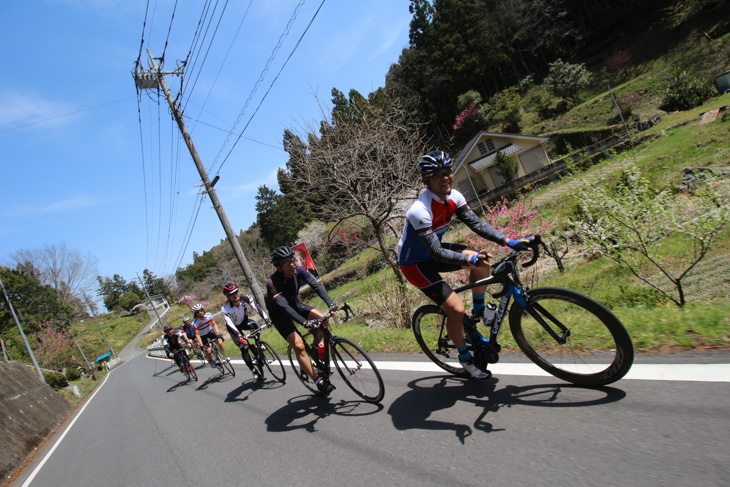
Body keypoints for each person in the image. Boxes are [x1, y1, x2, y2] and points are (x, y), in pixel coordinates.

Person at [397, 150, 533, 379]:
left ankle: (478, 313)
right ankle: (464, 357)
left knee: (483, 264)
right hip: (415, 265)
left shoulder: (454, 197)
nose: (445, 177)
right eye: (437, 174)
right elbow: (437, 252)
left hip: (434, 253)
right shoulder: (420, 211)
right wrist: (468, 258)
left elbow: (477, 225)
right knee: (456, 309)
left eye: (447, 171)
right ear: (425, 180)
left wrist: (510, 241)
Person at [265, 246, 339, 395]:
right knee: (298, 346)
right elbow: (284, 307)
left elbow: (315, 285)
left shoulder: (298, 270)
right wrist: (304, 322)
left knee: (321, 319)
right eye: (286, 263)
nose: (292, 264)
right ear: (278, 267)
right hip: (280, 315)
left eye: (292, 260)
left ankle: (316, 348)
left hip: (295, 305)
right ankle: (318, 381)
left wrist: (331, 304)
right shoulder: (272, 282)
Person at [221, 281, 270, 381]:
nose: (235, 295)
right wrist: (239, 336)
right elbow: (229, 324)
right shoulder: (225, 308)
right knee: (244, 348)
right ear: (227, 296)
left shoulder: (246, 298)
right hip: (234, 328)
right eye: (231, 294)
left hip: (244, 321)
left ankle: (258, 345)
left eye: (236, 292)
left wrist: (266, 319)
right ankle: (253, 369)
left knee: (255, 326)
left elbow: (257, 308)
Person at [191, 303, 228, 368]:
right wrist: (201, 345)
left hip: (209, 331)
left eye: (201, 310)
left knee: (219, 342)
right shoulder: (195, 323)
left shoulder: (209, 315)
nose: (200, 313)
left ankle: (225, 356)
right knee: (208, 350)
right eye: (197, 312)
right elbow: (197, 334)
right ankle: (210, 361)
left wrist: (218, 333)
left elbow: (214, 324)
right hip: (202, 336)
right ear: (195, 314)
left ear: (203, 310)